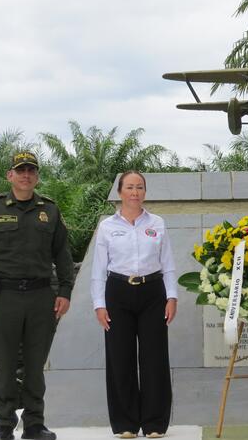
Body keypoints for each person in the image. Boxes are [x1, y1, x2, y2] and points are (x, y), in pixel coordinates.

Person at [0, 151, 74, 440]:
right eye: (20, 170)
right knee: (6, 365)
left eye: (31, 171)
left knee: (36, 367)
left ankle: (35, 424)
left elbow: (62, 254)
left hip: (41, 298)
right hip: (5, 298)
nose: (26, 175)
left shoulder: (50, 210)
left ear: (37, 176)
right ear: (9, 175)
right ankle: (3, 426)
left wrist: (65, 290)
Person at [90, 171, 178, 439]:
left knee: (154, 358)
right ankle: (126, 423)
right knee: (120, 357)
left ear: (145, 192)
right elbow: (98, 269)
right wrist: (99, 304)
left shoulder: (158, 223)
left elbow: (169, 264)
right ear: (120, 192)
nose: (135, 192)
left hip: (153, 292)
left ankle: (154, 423)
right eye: (129, 187)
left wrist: (171, 297)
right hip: (117, 292)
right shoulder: (107, 226)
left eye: (139, 187)